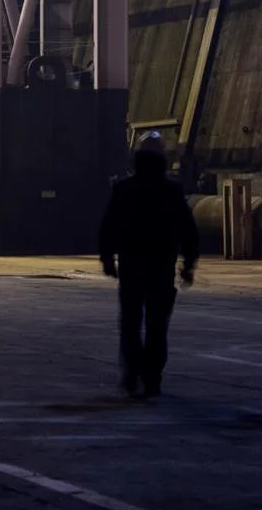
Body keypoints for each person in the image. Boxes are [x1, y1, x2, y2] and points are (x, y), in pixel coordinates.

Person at [98, 132, 199, 399]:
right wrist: (188, 265)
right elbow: (188, 230)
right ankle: (152, 376)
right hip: (160, 268)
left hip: (131, 267)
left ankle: (132, 372)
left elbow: (108, 227)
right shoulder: (172, 191)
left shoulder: (123, 189)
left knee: (131, 323)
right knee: (157, 325)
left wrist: (108, 259)